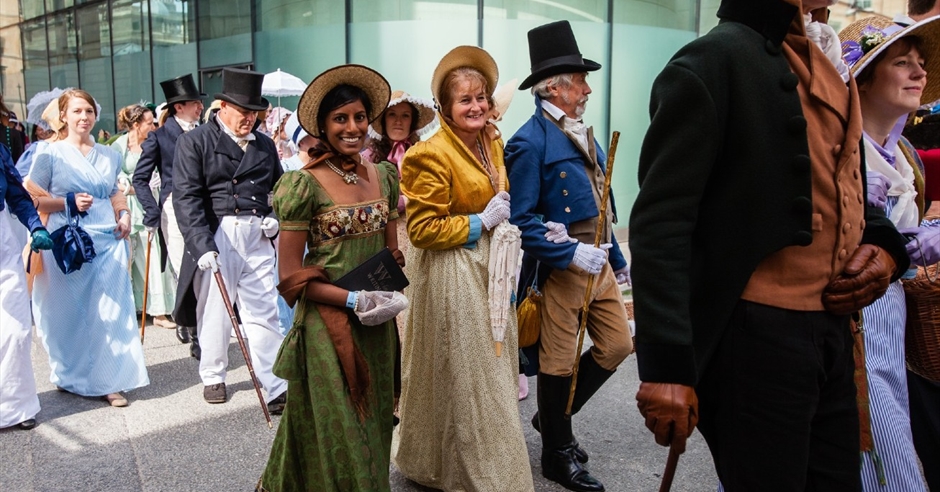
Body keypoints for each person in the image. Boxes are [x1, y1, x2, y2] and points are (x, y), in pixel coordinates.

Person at [629, 1, 912, 490]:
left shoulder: (827, 65)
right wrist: (666, 367)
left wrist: (886, 247)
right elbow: (662, 221)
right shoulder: (710, 62)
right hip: (756, 338)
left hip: (833, 337)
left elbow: (847, 188)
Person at [257, 64, 409, 492]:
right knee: (344, 433)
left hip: (377, 330)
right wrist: (351, 300)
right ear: (323, 126)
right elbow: (289, 277)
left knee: (374, 428)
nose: (352, 127)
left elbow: (390, 255)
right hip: (328, 329)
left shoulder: (384, 176)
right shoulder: (302, 184)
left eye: (359, 117)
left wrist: (389, 297)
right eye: (340, 119)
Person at [393, 46, 535, 492]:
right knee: (473, 375)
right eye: (465, 100)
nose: (476, 106)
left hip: (493, 267)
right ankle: (489, 477)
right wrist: (480, 221)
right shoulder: (426, 154)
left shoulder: (491, 140)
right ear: (445, 108)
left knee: (492, 368)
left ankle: (451, 461)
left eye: (481, 98)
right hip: (452, 272)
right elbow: (421, 230)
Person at [504, 20, 633, 492]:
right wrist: (570, 253)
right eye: (580, 81)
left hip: (597, 257)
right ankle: (557, 453)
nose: (587, 89)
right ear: (554, 88)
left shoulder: (583, 131)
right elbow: (521, 221)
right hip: (561, 266)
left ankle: (553, 420)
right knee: (559, 362)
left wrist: (616, 256)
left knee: (619, 345)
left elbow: (601, 198)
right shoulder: (527, 140)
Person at [839, 15, 940, 491]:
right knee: (880, 455)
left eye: (921, 63)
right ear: (862, 78)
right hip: (846, 325)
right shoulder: (834, 152)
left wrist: (929, 235)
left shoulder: (908, 161)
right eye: (902, 62)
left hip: (892, 324)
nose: (919, 73)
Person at [172, 68, 287, 411]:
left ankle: (274, 384)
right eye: (243, 111)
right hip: (218, 234)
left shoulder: (265, 144)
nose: (250, 119)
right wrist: (201, 244)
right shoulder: (195, 141)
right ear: (222, 106)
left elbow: (278, 190)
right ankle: (213, 375)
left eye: (254, 112)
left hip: (257, 234)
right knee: (217, 310)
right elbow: (186, 197)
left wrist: (274, 218)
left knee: (264, 310)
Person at [27, 89, 149, 407]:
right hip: (66, 242)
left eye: (90, 112)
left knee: (111, 313)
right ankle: (71, 373)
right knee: (67, 313)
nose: (84, 117)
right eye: (78, 111)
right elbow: (31, 198)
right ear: (64, 116)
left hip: (108, 239)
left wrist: (123, 215)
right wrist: (66, 201)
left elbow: (113, 191)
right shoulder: (49, 154)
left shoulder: (109, 155)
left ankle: (108, 381)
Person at [132, 74, 205, 351]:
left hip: (203, 207)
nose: (199, 107)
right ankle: (193, 326)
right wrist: (151, 210)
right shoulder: (160, 137)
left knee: (203, 266)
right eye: (195, 103)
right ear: (178, 107)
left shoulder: (207, 131)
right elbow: (140, 178)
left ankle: (196, 322)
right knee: (181, 265)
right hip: (173, 208)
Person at [0, 142, 53, 430]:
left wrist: (36, 226)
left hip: (2, 246)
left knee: (16, 330)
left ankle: (16, 407)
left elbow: (17, 196)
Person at [111, 103, 177, 329]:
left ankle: (160, 311)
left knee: (155, 255)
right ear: (136, 125)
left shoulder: (153, 141)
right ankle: (137, 306)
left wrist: (155, 180)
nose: (154, 126)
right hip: (129, 204)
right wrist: (130, 186)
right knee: (133, 258)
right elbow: (115, 176)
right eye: (149, 123)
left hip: (151, 200)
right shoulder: (119, 147)